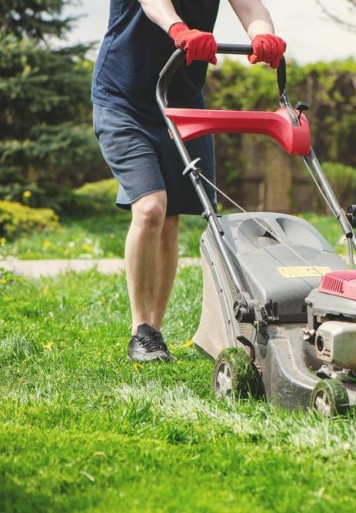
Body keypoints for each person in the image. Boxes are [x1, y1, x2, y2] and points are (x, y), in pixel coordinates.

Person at [91, 0, 286, 362]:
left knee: (170, 219)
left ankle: (154, 333)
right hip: (124, 100)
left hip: (182, 103)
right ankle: (140, 329)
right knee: (151, 207)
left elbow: (251, 8)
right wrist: (178, 28)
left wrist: (264, 36)